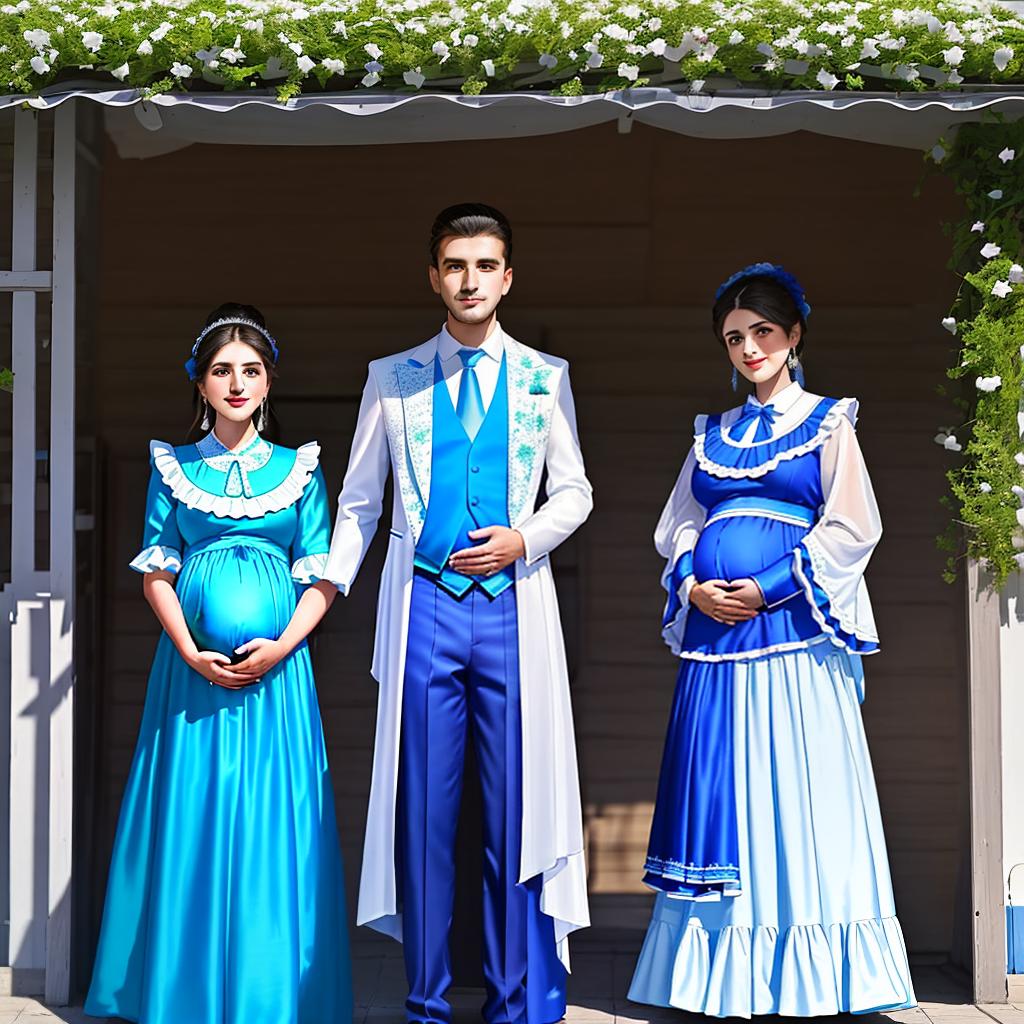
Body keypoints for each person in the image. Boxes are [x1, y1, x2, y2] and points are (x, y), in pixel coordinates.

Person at [323, 204, 592, 1024]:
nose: (470, 280)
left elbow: (576, 492)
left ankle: (516, 1002)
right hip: (424, 612)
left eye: (485, 265)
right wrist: (327, 590)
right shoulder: (392, 376)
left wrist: (525, 538)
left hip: (511, 616)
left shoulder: (546, 376)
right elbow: (360, 502)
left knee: (514, 813)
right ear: (433, 276)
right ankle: (427, 1002)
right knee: (424, 816)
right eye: (455, 265)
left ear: (507, 277)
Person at [628, 264, 916, 1019]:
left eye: (761, 332)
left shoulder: (828, 421)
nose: (748, 348)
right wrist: (691, 583)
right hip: (714, 645)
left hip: (793, 640)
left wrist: (771, 586)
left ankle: (818, 979)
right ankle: (721, 978)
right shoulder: (713, 435)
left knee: (799, 791)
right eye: (734, 337)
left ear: (792, 336)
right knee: (725, 792)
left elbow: (853, 526)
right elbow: (679, 526)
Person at [85, 303, 352, 1024]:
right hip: (190, 682)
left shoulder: (302, 470)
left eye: (251, 371)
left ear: (269, 382)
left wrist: (282, 646)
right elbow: (156, 574)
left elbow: (321, 576)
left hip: (279, 682)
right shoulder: (172, 468)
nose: (237, 383)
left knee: (273, 831)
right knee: (194, 826)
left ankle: (270, 1000)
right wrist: (188, 651)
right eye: (221, 371)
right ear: (199, 384)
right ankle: (186, 998)